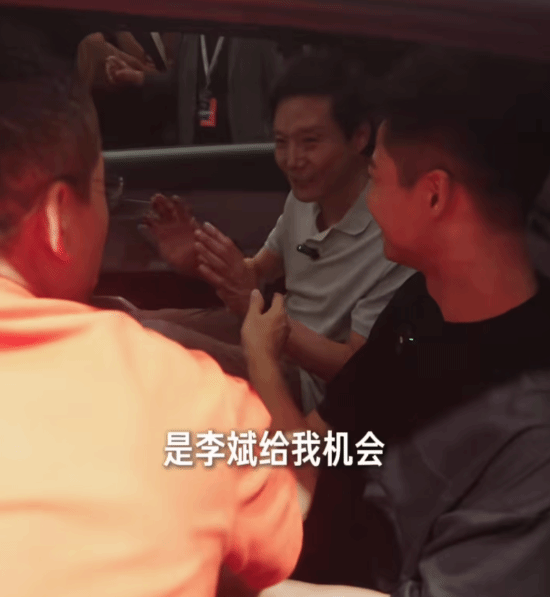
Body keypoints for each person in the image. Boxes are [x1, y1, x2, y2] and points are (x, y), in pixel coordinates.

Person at [242, 47, 550, 596]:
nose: (369, 200)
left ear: (433, 195)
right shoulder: (420, 304)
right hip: (302, 546)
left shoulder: (532, 435)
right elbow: (318, 453)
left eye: (375, 177)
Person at [0, 46, 302, 597]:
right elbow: (286, 530)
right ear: (57, 217)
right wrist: (260, 355)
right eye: (105, 188)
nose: (295, 157)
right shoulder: (194, 403)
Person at [138, 51, 414, 414]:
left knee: (155, 345)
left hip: (311, 389)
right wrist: (198, 260)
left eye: (310, 142)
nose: (292, 160)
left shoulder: (394, 234)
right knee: (133, 325)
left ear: (360, 136)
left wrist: (259, 312)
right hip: (272, 334)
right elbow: (257, 271)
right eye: (282, 142)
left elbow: (356, 370)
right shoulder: (304, 198)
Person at [105, 33, 282, 146]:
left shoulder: (254, 29)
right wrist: (136, 76)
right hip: (196, 149)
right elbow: (178, 83)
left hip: (245, 149)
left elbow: (279, 88)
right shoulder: (190, 33)